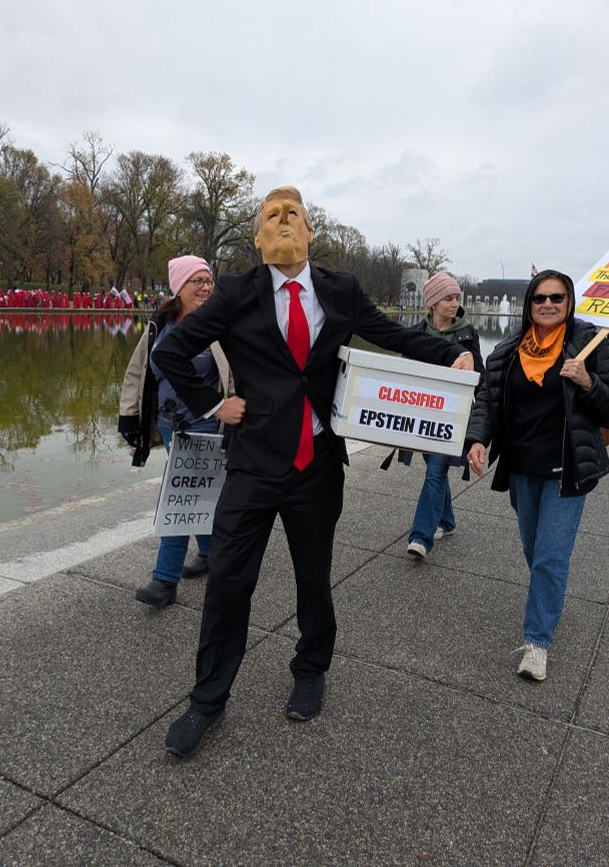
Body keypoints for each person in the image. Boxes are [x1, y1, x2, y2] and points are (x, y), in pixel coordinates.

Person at [153, 185, 475, 756]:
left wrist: (448, 355)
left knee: (313, 576)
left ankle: (310, 667)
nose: (282, 222)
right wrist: (211, 403)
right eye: (270, 216)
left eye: (293, 214)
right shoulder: (235, 293)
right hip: (252, 462)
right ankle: (207, 700)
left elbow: (394, 336)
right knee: (228, 581)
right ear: (257, 238)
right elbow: (170, 353)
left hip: (317, 463)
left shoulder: (340, 290)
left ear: (310, 232)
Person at [466, 269, 609, 683]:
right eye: (540, 298)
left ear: (569, 301)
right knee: (536, 553)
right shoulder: (507, 349)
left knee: (551, 557)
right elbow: (487, 399)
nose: (548, 305)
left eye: (557, 297)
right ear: (529, 304)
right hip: (521, 468)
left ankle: (536, 642)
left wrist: (587, 381)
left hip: (567, 469)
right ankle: (549, 597)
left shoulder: (588, 346)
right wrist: (478, 439)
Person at [118, 256, 234, 605]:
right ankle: (212, 552)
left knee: (181, 497)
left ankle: (164, 581)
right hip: (169, 425)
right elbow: (139, 369)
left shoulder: (219, 324)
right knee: (196, 493)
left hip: (205, 426)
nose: (204, 287)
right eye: (195, 281)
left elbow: (238, 372)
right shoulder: (160, 323)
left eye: (207, 280)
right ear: (177, 288)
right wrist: (129, 414)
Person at [406, 273, 484, 559]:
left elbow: (480, 376)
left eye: (456, 299)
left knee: (435, 470)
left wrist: (481, 418)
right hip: (424, 413)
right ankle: (447, 521)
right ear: (433, 302)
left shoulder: (467, 333)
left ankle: (420, 538)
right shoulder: (415, 333)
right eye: (448, 298)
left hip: (453, 415)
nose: (454, 304)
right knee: (433, 468)